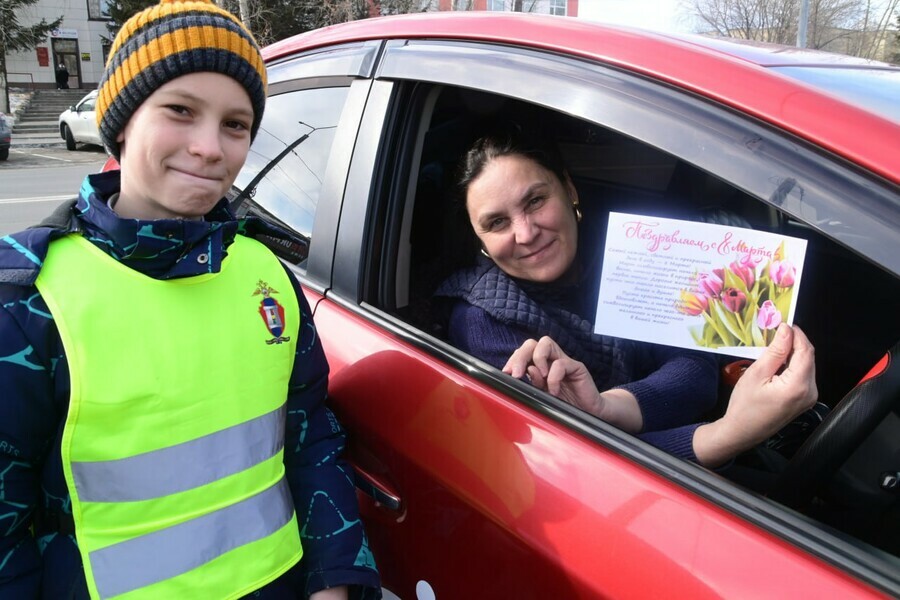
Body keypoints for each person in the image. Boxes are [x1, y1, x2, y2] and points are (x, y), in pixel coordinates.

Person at [0, 1, 380, 598]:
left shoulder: (264, 274)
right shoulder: (28, 299)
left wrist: (335, 580)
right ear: (123, 120)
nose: (210, 148)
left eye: (235, 125)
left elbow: (311, 439)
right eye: (180, 111)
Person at [435, 128, 818, 468]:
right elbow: (585, 465)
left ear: (569, 189)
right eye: (497, 222)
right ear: (478, 238)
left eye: (535, 201)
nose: (526, 232)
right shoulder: (480, 320)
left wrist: (606, 407)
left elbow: (694, 369)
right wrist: (727, 434)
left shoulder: (632, 251)